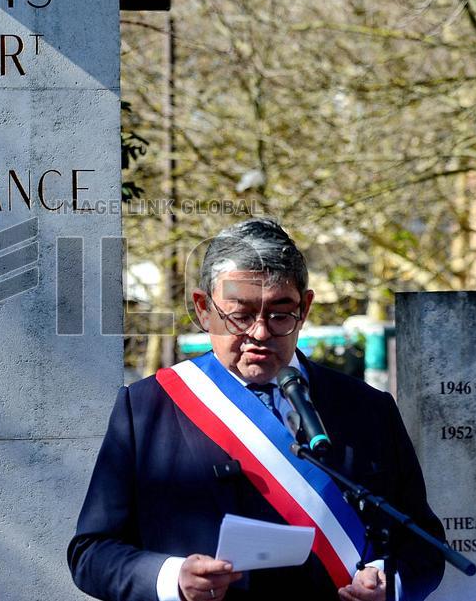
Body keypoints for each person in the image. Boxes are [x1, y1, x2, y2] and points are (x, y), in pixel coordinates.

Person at [68, 218, 445, 601]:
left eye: (280, 314)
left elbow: (424, 545)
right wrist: (173, 578)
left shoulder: (369, 408)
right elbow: (91, 554)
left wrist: (389, 580)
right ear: (203, 309)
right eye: (241, 315)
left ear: (306, 307)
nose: (261, 333)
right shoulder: (148, 408)